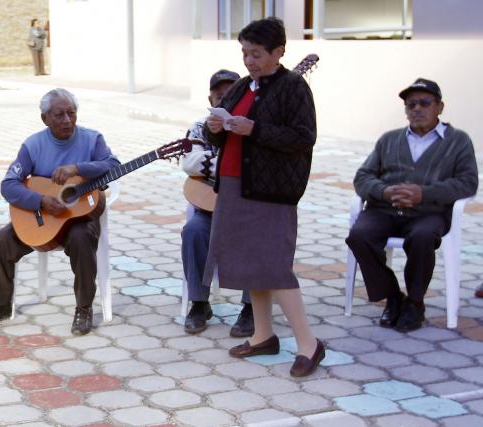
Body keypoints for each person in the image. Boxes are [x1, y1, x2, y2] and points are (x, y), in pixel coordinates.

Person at [201, 17, 324, 377]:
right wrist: (216, 130)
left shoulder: (293, 87)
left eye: (256, 54)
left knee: (273, 265)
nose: (249, 60)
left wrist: (254, 129)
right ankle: (263, 335)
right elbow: (222, 139)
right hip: (235, 185)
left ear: (278, 52)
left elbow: (303, 137)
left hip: (272, 191)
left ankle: (309, 344)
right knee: (249, 262)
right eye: (245, 53)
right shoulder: (241, 87)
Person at [0, 88, 120, 335]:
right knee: (1, 241)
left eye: (71, 113)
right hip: (44, 219)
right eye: (59, 115)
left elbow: (113, 165)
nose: (67, 120)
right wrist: (40, 201)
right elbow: (8, 185)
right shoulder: (32, 145)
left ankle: (84, 308)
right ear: (44, 118)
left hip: (80, 218)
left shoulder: (92, 139)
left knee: (82, 239)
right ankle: (0, 305)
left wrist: (77, 168)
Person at [346, 78, 478, 332]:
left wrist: (424, 194)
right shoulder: (390, 139)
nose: (417, 109)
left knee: (422, 236)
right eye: (411, 104)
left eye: (425, 103)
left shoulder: (458, 141)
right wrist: (384, 191)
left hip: (428, 213)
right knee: (359, 235)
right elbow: (362, 177)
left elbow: (467, 183)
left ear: (440, 107)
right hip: (384, 209)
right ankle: (393, 296)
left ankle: (415, 303)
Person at [181, 69, 255, 337]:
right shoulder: (200, 126)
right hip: (210, 208)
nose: (224, 100)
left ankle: (251, 308)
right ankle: (199, 304)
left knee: (261, 233)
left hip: (247, 210)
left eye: (230, 94)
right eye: (219, 95)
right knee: (193, 231)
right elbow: (188, 161)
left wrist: (213, 166)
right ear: (211, 100)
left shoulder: (251, 126)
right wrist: (229, 165)